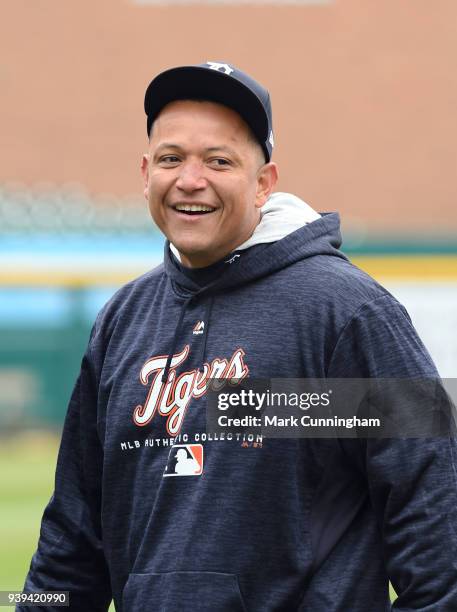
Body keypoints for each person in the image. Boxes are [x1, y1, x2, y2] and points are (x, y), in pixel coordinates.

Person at [19, 62, 457, 611]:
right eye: (171, 158)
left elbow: (435, 518)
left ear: (263, 183)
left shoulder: (348, 311)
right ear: (145, 172)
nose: (190, 180)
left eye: (219, 161)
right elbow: (72, 541)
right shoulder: (122, 320)